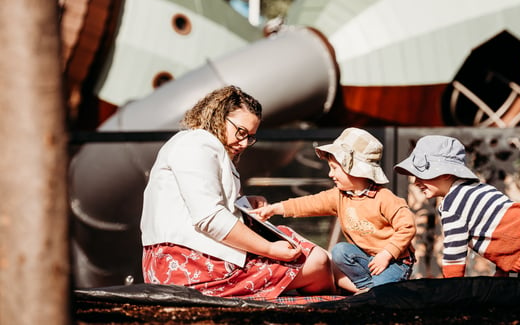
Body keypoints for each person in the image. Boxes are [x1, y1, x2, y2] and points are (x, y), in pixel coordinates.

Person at [140, 85, 336, 300]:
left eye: (250, 137)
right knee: (318, 262)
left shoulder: (200, 146)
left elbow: (199, 207)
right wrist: (269, 249)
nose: (243, 143)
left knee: (316, 255)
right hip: (188, 264)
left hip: (182, 261)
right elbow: (210, 218)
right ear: (218, 116)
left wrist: (243, 203)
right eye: (241, 132)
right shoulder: (197, 144)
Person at [394, 135, 520, 285]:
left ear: (446, 173)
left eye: (421, 174)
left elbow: (454, 250)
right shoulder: (478, 189)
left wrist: (451, 287)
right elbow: (506, 227)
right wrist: (502, 270)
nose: (416, 181)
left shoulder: (453, 204)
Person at [254, 127, 416, 293]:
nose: (331, 174)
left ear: (353, 168)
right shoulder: (340, 196)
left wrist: (387, 254)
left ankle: (375, 292)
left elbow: (407, 227)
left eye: (335, 168)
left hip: (394, 262)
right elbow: (309, 203)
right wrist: (275, 209)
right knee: (340, 251)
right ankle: (366, 287)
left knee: (383, 295)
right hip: (367, 259)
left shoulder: (384, 198)